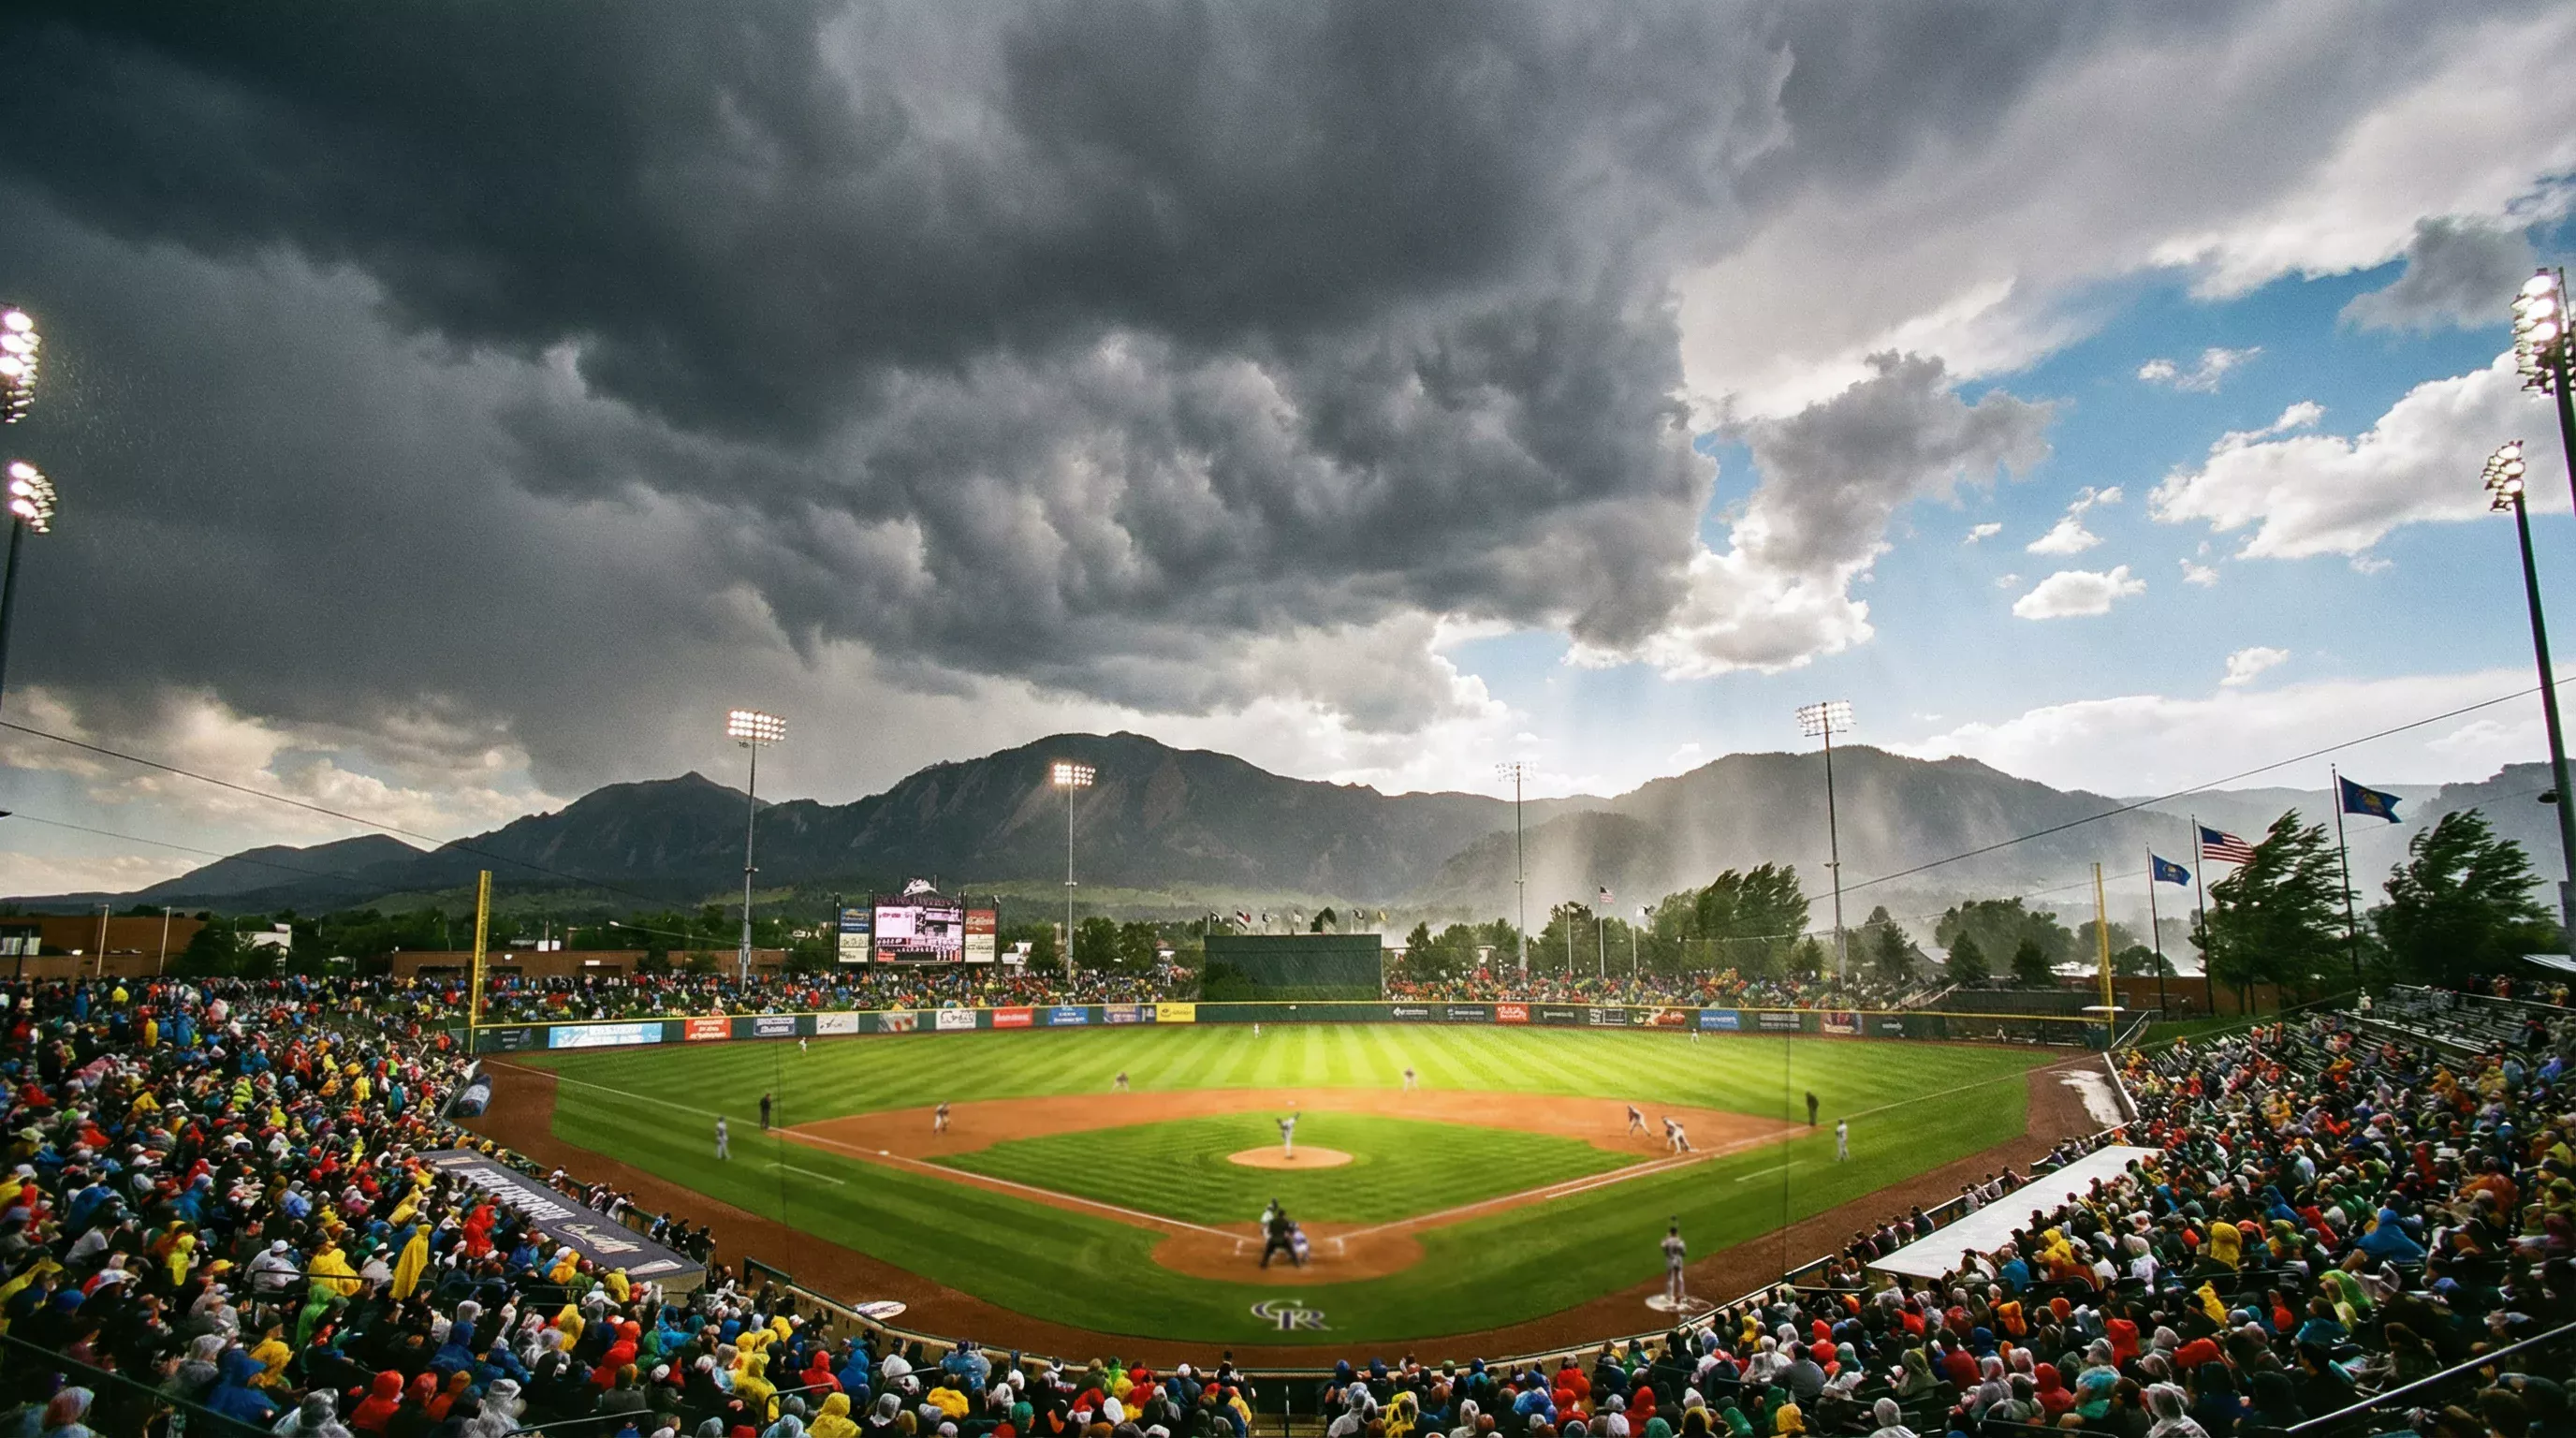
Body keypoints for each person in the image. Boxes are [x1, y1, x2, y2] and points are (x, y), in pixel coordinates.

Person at [1260, 1202, 1298, 1269]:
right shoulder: (1286, 1221)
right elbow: (1290, 1231)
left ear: (1278, 1215)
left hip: (1273, 1241)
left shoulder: (1272, 1221)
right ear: (1283, 1215)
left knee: (1267, 1251)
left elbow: (1269, 1231)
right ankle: (1297, 1263)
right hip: (1283, 1241)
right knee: (1291, 1249)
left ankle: (1263, 1264)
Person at [1661, 1221, 1687, 1309]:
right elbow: (1684, 1253)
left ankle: (1669, 1296)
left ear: (1670, 1232)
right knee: (1679, 1276)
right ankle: (1681, 1293)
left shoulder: (1667, 1241)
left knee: (1670, 1278)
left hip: (1670, 1260)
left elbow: (1662, 1246)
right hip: (1678, 1260)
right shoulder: (1680, 1241)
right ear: (1676, 1232)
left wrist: (1667, 1238)